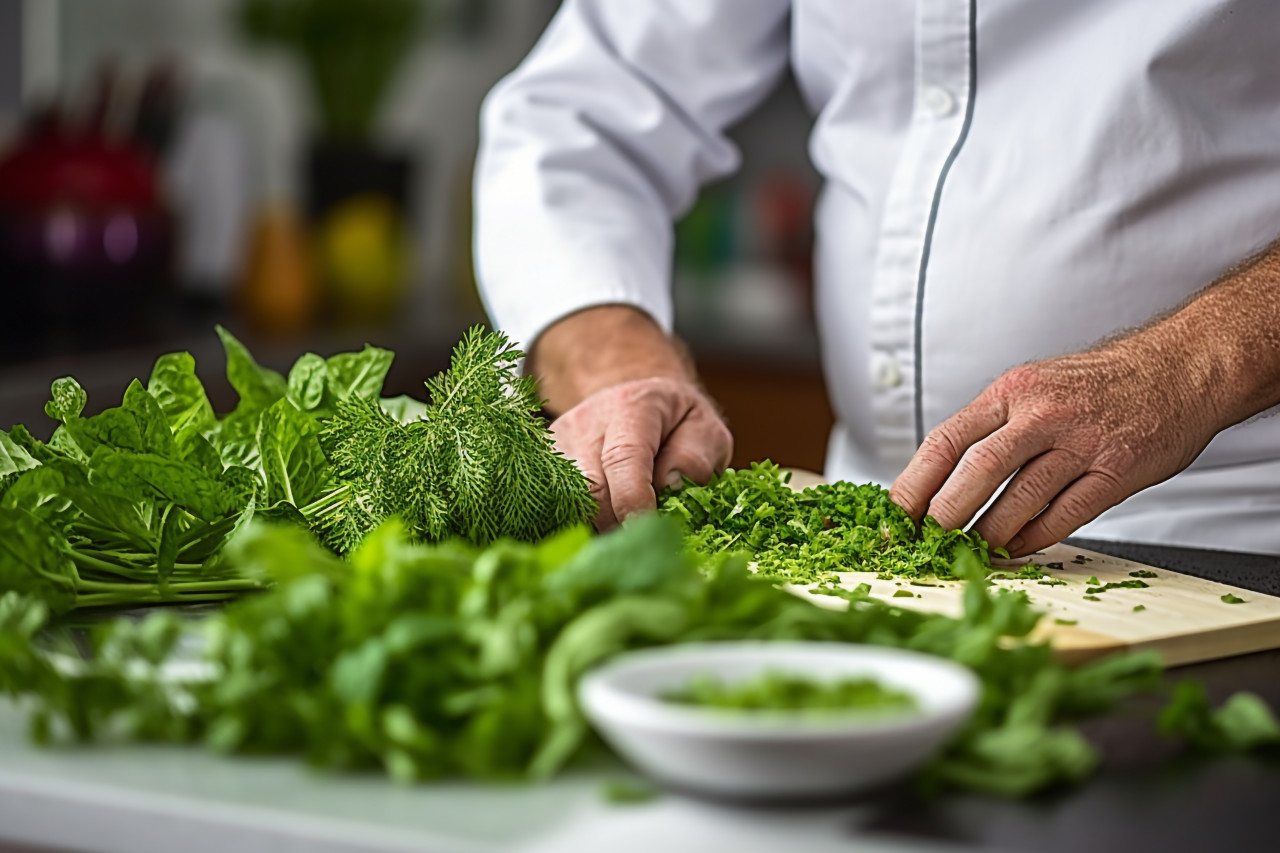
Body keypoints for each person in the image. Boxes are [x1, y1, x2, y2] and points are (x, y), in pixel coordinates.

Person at [474, 1, 1280, 557]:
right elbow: (586, 115)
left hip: (1229, 526)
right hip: (867, 533)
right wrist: (616, 366)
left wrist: (1186, 368)